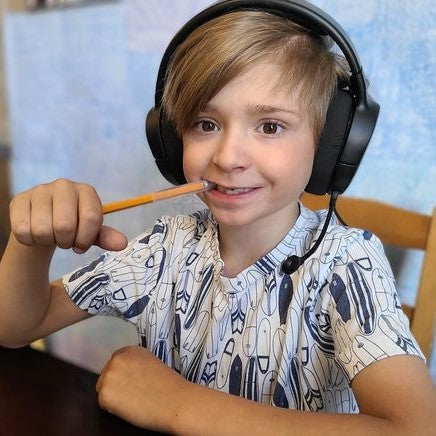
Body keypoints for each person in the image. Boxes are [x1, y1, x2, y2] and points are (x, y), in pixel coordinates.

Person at [0, 1, 435, 434]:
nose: (227, 158)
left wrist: (176, 404)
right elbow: (18, 326)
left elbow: (415, 428)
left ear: (329, 145)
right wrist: (28, 245)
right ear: (172, 140)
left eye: (270, 126)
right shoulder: (163, 250)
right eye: (205, 124)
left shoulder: (347, 264)